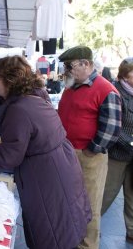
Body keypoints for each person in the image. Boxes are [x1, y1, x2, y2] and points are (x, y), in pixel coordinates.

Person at [0, 55, 91, 249]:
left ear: (9, 81)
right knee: (64, 229)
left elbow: (8, 157)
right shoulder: (32, 92)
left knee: (51, 236)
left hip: (46, 180)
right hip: (60, 170)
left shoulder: (18, 110)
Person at [57, 46, 122, 249]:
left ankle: (87, 246)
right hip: (68, 152)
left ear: (86, 64)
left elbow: (112, 129)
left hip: (88, 156)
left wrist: (92, 149)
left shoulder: (105, 90)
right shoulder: (72, 87)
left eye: (70, 66)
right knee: (68, 199)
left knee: (90, 204)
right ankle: (70, 240)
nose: (66, 70)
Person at [101, 57, 133, 244]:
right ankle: (88, 227)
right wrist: (129, 143)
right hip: (116, 155)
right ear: (125, 74)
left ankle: (131, 232)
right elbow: (114, 126)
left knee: (131, 196)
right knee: (106, 194)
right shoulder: (115, 92)